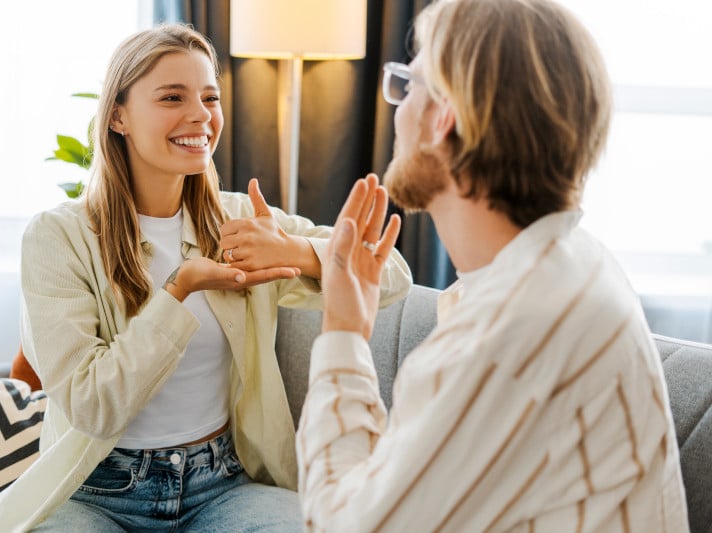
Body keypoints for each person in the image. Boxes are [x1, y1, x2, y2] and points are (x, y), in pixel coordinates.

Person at [0, 24, 412, 532]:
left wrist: (295, 251)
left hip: (221, 485)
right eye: (172, 97)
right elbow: (93, 406)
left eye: (210, 97)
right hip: (95, 493)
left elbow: (390, 274)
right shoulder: (58, 237)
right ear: (117, 116)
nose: (200, 115)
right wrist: (179, 289)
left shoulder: (237, 218)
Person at [296, 0, 690, 531]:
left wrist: (343, 332)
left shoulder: (510, 336)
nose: (398, 107)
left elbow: (342, 525)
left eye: (408, 85)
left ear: (443, 119)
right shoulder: (570, 263)